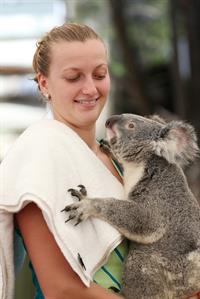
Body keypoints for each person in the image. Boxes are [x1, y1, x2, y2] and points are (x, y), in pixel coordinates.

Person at [0, 22, 199, 299]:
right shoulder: (38, 158)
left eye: (100, 74)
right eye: (73, 77)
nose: (90, 88)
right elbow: (62, 290)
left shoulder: (121, 159)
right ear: (44, 83)